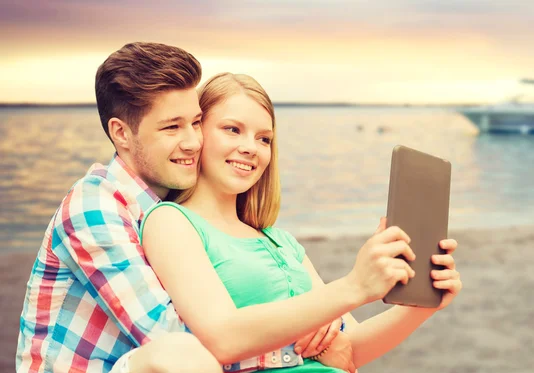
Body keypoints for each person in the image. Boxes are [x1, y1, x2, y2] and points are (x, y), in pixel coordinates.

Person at [141, 73, 463, 373]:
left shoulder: (279, 241)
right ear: (197, 133)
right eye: (232, 129)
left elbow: (351, 349)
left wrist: (424, 305)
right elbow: (224, 338)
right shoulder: (172, 221)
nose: (251, 148)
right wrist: (354, 286)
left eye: (264, 139)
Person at [16, 42, 223, 373]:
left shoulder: (179, 202)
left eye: (196, 122)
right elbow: (168, 332)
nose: (193, 141)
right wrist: (294, 342)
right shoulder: (93, 207)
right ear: (121, 133)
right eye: (172, 127)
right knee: (176, 354)